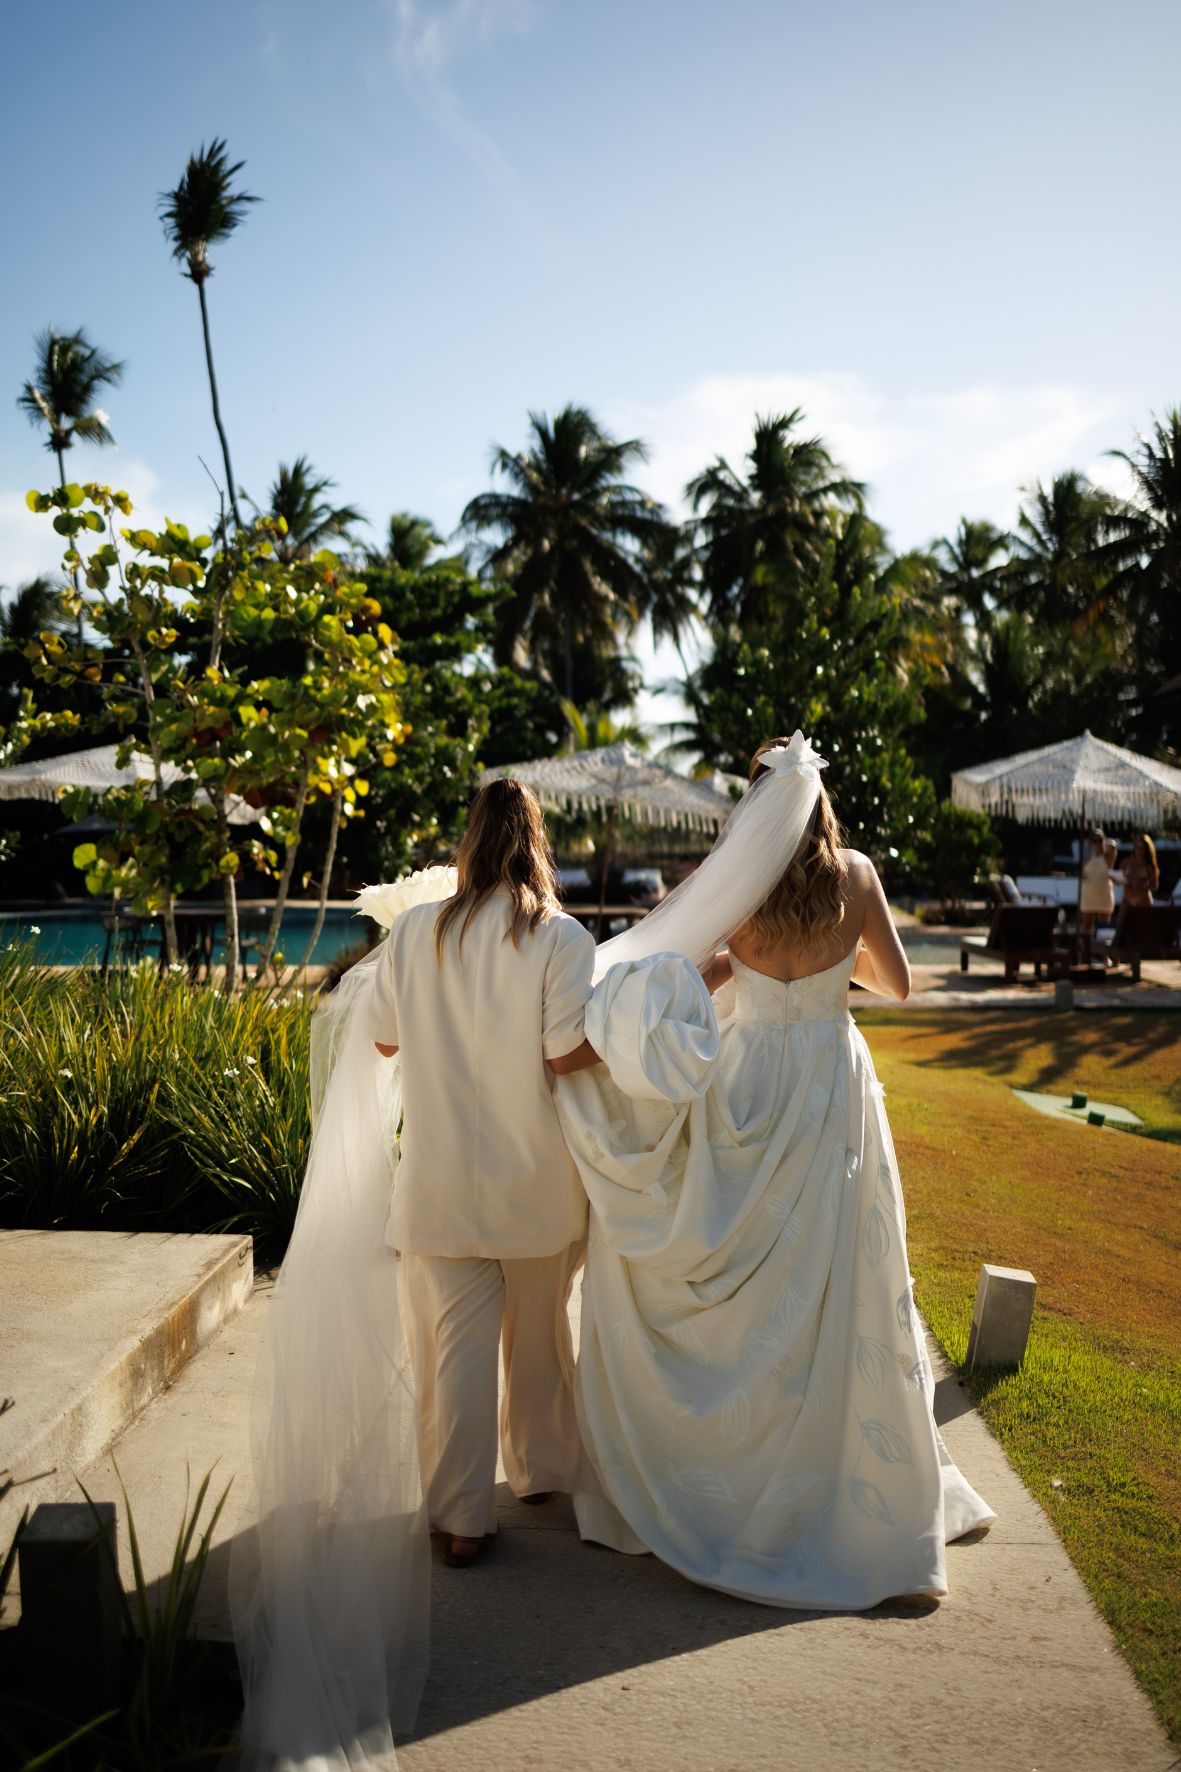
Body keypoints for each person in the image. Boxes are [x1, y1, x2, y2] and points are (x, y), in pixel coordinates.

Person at [554, 731, 994, 1609]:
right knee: (837, 1276)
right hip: (832, 1082)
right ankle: (842, 1476)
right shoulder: (860, 877)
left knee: (749, 1275)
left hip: (748, 1084)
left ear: (757, 812)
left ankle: (732, 1467)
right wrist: (839, 968)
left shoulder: (741, 890)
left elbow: (690, 971)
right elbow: (898, 986)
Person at [368, 777, 595, 1568]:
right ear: (537, 844)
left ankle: (462, 1520)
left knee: (455, 1350)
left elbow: (385, 1043)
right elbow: (565, 1053)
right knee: (537, 1338)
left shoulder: (413, 933)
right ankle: (538, 1472)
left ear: (468, 842)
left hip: (435, 1180)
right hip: (533, 1181)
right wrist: (631, 1032)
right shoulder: (560, 939)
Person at [1079, 828, 1116, 963]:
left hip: (1104, 896)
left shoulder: (1109, 854)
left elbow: (1112, 844)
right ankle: (1086, 956)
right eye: (1094, 840)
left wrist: (1104, 842)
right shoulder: (1089, 855)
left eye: (1098, 840)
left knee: (1104, 927)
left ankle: (1106, 956)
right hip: (1088, 895)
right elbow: (1083, 872)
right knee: (1086, 928)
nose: (1096, 843)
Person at [1123, 833, 1160, 908]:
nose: (1139, 850)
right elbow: (1120, 878)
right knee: (1121, 919)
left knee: (1142, 919)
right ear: (1134, 848)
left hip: (1143, 900)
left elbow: (1155, 886)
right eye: (1137, 847)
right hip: (1127, 900)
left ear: (1146, 850)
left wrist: (1143, 885)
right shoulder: (1126, 863)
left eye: (1142, 848)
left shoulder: (1149, 866)